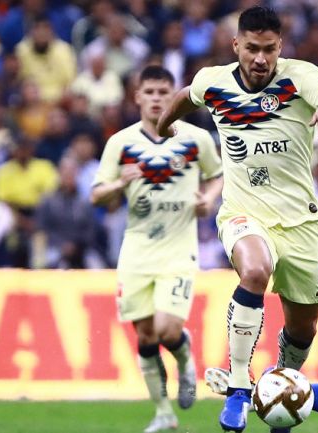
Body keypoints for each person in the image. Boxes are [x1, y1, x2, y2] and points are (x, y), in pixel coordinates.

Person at [155, 6, 318, 432]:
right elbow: (184, 96)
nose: (260, 58)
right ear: (236, 45)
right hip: (243, 213)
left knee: (303, 329)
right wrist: (164, 127)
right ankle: (238, 388)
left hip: (302, 226)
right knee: (255, 271)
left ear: (280, 47)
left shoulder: (301, 76)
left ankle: (281, 394)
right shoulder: (213, 81)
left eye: (268, 49)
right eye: (251, 48)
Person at [91, 65, 223, 433]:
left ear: (174, 97)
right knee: (145, 336)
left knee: (167, 329)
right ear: (137, 97)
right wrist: (120, 182)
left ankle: (184, 360)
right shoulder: (121, 142)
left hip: (179, 249)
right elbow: (96, 194)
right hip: (135, 251)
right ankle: (163, 413)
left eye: (164, 92)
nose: (156, 99)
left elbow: (218, 175)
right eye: (149, 92)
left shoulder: (195, 139)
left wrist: (208, 199)